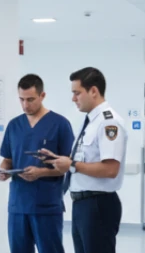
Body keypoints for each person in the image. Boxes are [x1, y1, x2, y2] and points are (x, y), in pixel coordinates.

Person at [39, 67, 126, 253]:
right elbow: (82, 159)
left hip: (98, 204)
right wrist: (58, 160)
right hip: (82, 204)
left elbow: (110, 169)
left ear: (93, 91)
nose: (73, 98)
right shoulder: (90, 122)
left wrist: (72, 165)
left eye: (77, 93)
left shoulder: (108, 122)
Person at [0, 74, 74, 253]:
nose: (25, 105)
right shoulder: (14, 125)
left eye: (31, 99)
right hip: (18, 205)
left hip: (46, 204)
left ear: (42, 96)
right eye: (22, 99)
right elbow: (8, 159)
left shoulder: (60, 124)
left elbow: (68, 166)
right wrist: (3, 170)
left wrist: (41, 172)